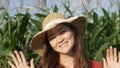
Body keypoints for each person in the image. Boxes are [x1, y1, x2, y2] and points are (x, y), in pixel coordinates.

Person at [7, 13, 120, 68]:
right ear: (49, 44)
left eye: (62, 32)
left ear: (73, 32)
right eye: (52, 37)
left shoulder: (95, 66)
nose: (59, 39)